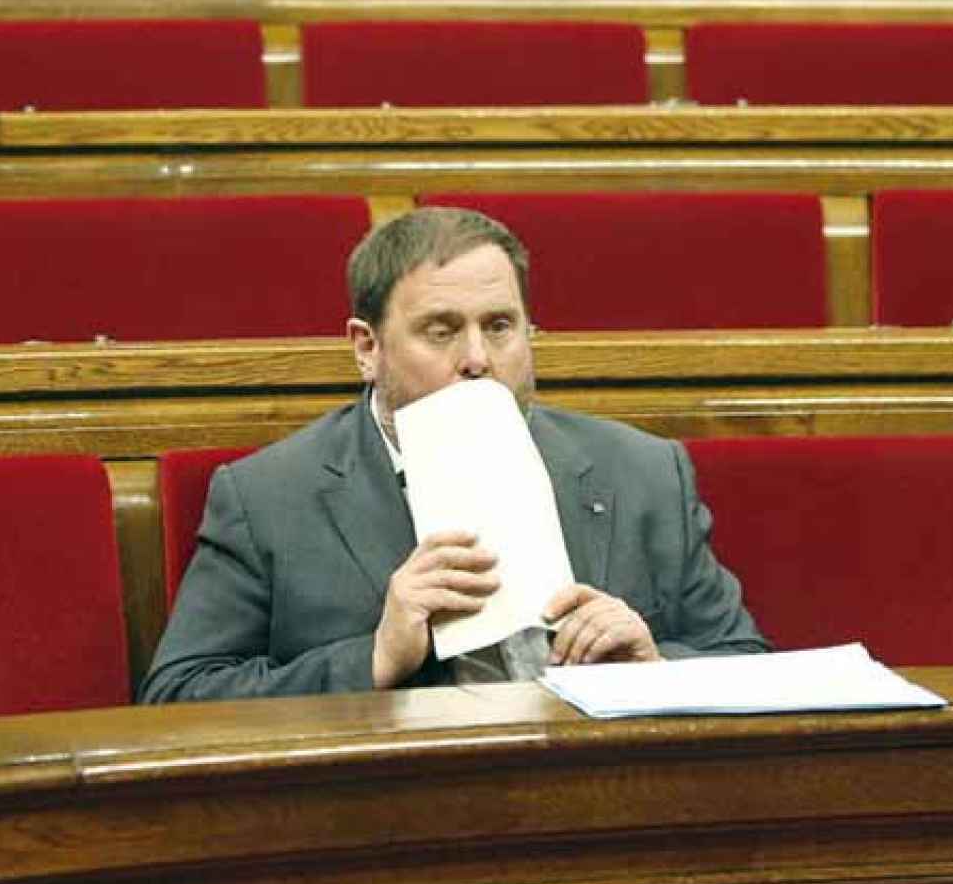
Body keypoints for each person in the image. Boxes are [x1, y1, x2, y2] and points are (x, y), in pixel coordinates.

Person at [139, 207, 769, 703]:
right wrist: (375, 657)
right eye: (440, 331)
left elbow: (748, 664)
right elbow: (179, 696)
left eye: (499, 326)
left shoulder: (643, 471)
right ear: (367, 347)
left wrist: (654, 667)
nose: (477, 359)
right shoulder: (268, 496)